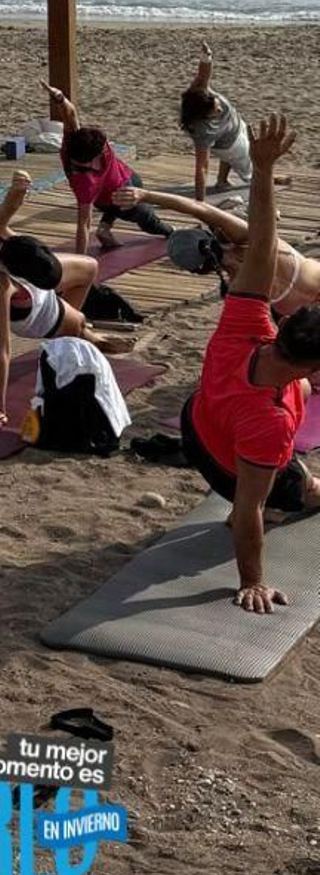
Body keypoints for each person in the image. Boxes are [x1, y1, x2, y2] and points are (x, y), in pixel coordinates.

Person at [177, 115, 320, 615]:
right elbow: (247, 508)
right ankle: (294, 497)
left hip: (196, 422)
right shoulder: (269, 423)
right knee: (302, 492)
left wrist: (262, 169)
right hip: (227, 462)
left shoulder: (246, 324)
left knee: (299, 399)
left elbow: (262, 243)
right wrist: (253, 581)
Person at [0, 171, 132, 428]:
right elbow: (2, 350)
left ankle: (87, 334)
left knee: (89, 266)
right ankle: (88, 338)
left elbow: (10, 205)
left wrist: (19, 186)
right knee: (78, 323)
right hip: (40, 319)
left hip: (35, 285)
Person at [109, 182, 320, 315]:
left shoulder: (237, 288)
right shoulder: (245, 240)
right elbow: (198, 208)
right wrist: (145, 195)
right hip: (312, 278)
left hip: (297, 313)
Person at [45, 83, 171, 254]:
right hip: (116, 200)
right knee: (147, 217)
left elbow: (71, 113)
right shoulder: (85, 184)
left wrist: (60, 98)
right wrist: (81, 260)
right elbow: (84, 224)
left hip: (127, 177)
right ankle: (171, 231)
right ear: (90, 162)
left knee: (133, 185)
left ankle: (104, 228)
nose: (106, 147)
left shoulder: (74, 142)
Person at [180, 41, 253, 201]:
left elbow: (203, 74)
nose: (220, 109)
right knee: (253, 172)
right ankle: (269, 180)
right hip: (232, 145)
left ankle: (222, 181)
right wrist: (200, 203)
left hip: (234, 125)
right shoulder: (203, 132)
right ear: (203, 117)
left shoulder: (199, 92)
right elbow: (202, 168)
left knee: (249, 147)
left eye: (217, 104)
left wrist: (206, 57)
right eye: (215, 111)